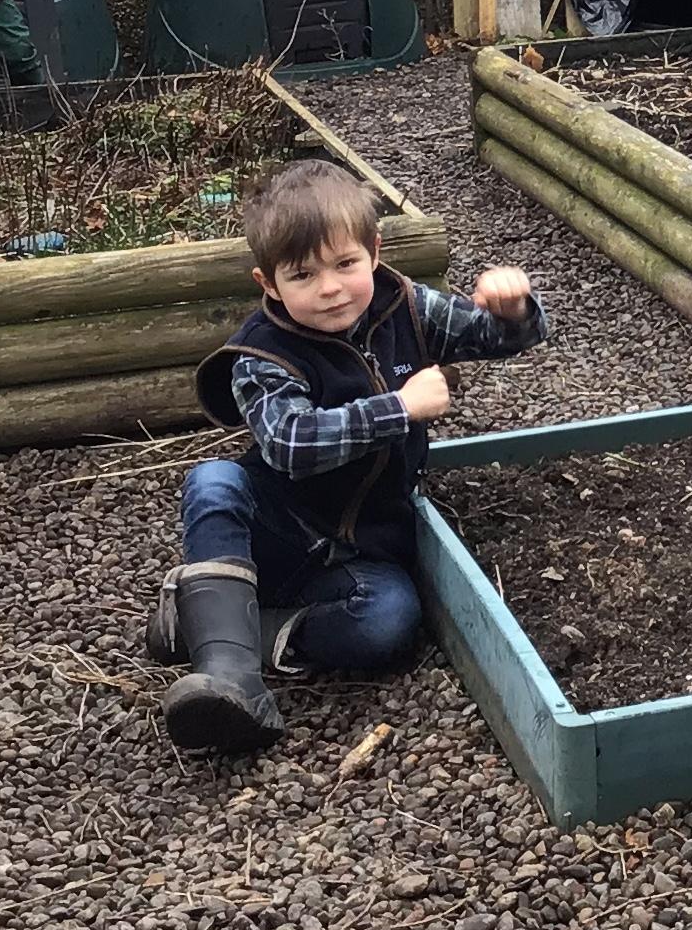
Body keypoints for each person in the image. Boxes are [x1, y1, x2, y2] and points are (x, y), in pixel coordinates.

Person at [157, 157, 547, 755]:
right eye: (303, 275)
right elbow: (290, 444)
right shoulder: (261, 355)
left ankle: (214, 628)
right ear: (268, 283)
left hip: (364, 547)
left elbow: (493, 337)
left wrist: (512, 309)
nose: (331, 288)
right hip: (277, 528)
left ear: (374, 251)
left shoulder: (404, 305)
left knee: (389, 621)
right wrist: (400, 407)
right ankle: (231, 678)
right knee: (214, 481)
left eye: (345, 264)